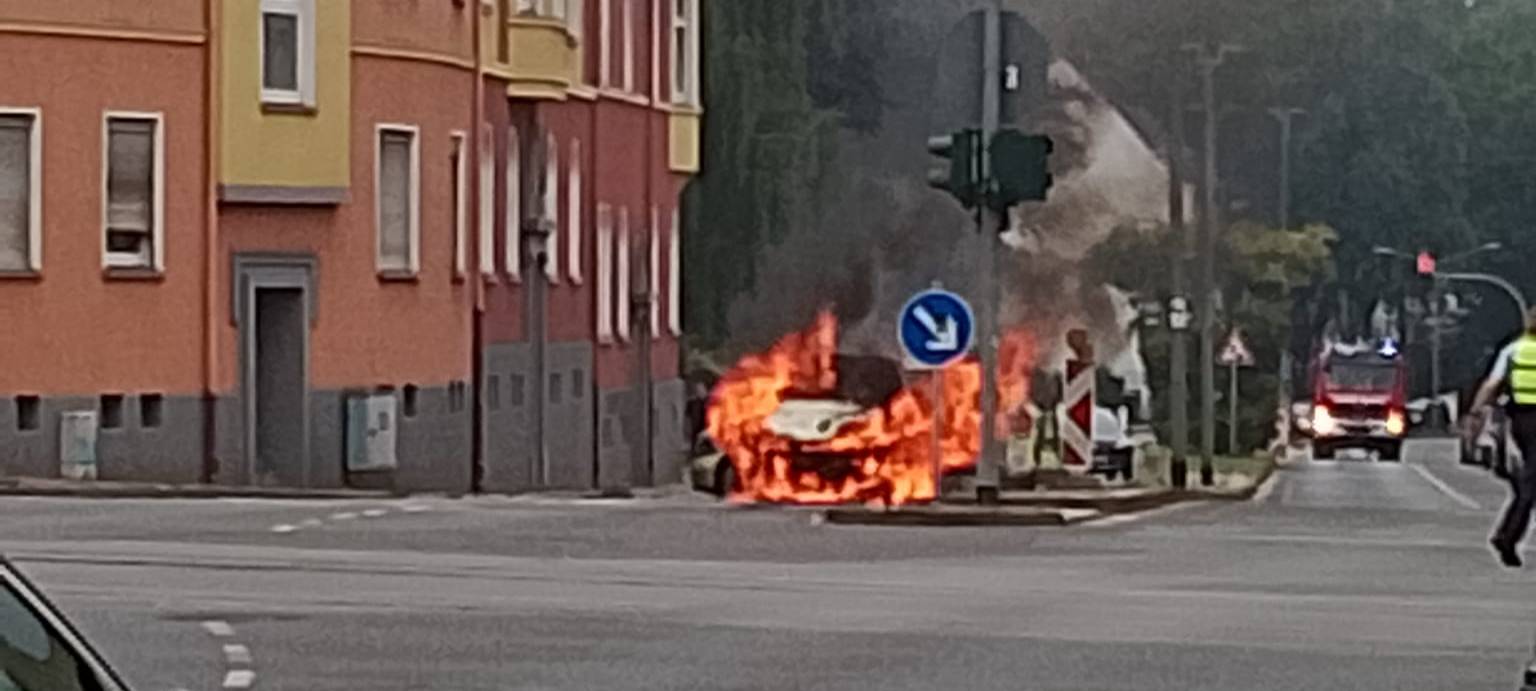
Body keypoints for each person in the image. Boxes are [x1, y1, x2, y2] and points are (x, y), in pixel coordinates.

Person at [1468, 306, 1536, 568]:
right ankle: (1507, 537)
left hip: (1521, 422)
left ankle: (1507, 536)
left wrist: (1475, 411)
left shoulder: (1513, 349)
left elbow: (1491, 384)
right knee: (1529, 484)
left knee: (1529, 482)